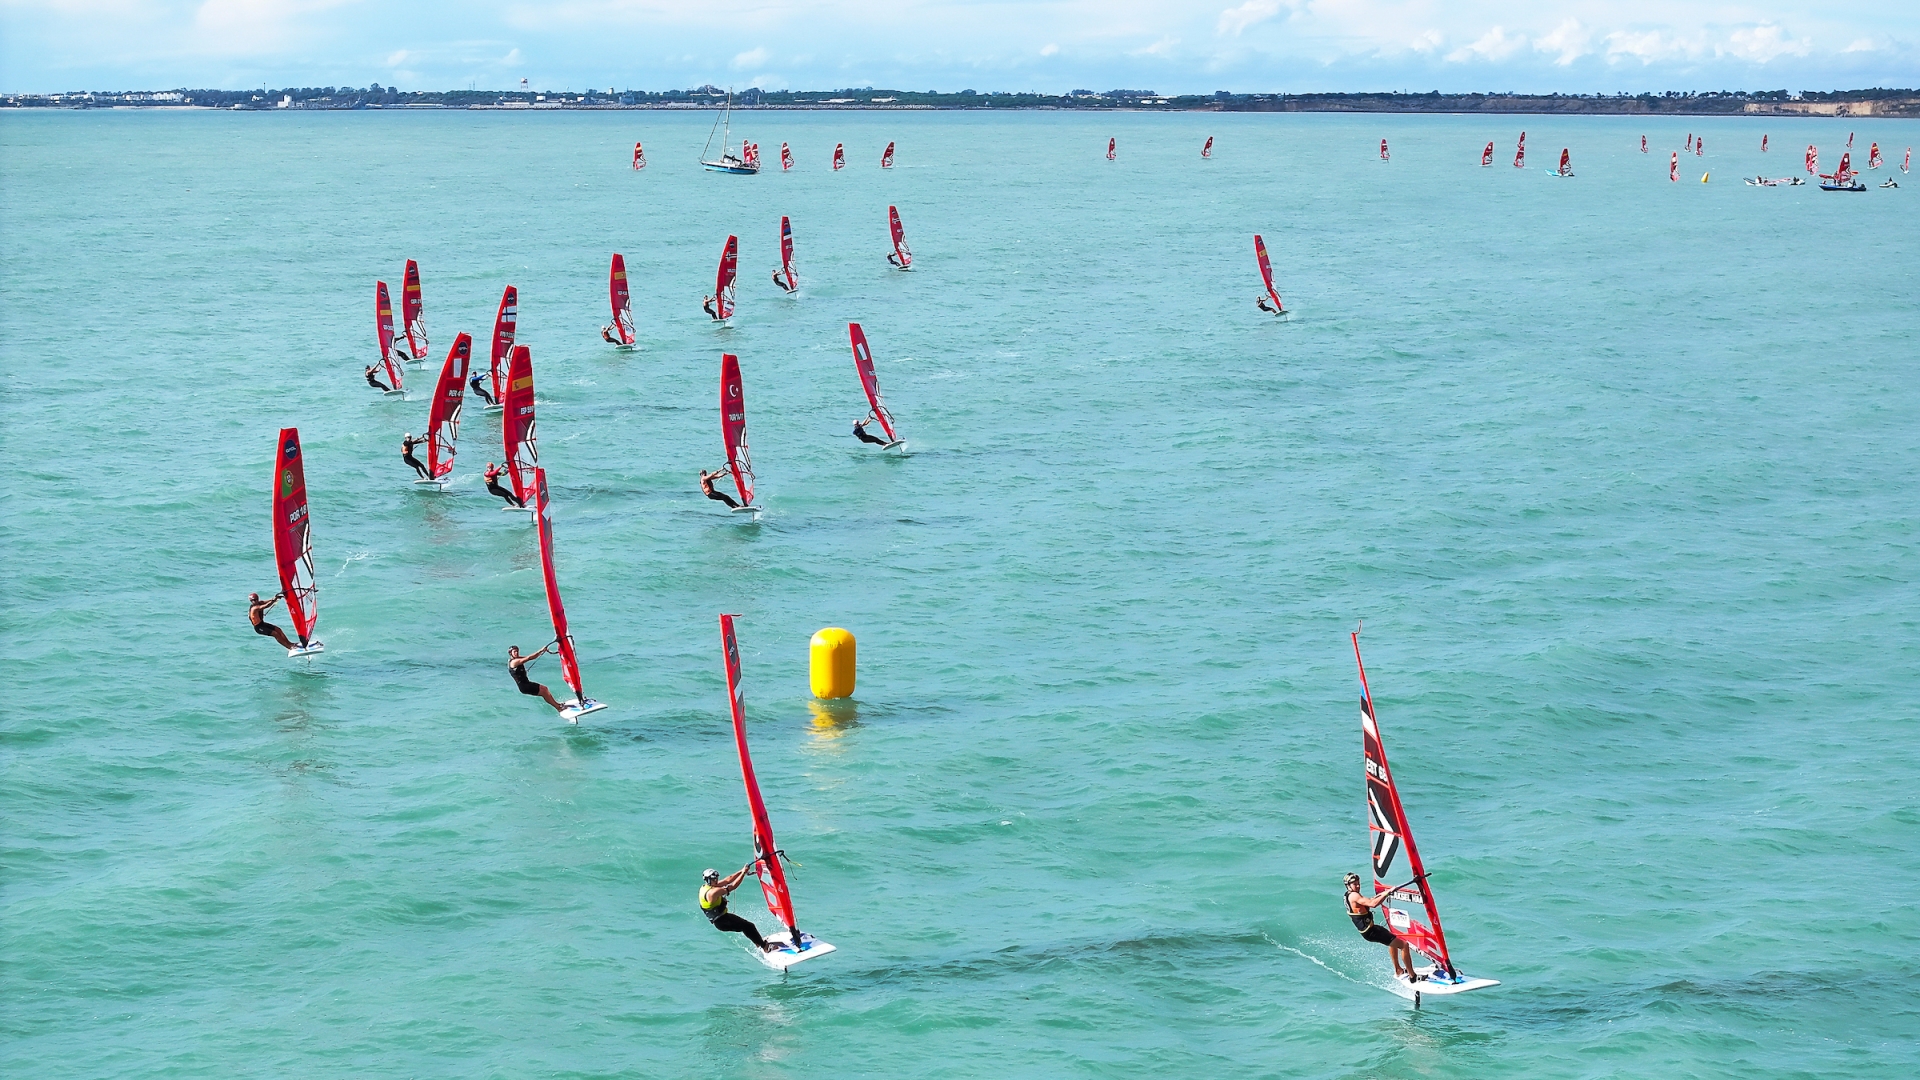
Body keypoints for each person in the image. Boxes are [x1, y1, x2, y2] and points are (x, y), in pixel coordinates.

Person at [1345, 872, 1418, 980]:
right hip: (1371, 932)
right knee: (1404, 945)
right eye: (1355, 884)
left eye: (1358, 883)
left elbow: (1368, 901)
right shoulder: (1354, 895)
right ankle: (1413, 976)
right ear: (1348, 886)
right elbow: (1373, 904)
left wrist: (1384, 893)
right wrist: (1387, 894)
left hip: (1369, 930)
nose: (1358, 886)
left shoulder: (1348, 895)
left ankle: (1398, 970)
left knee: (1392, 939)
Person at [700, 866, 778, 951]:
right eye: (713, 879)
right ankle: (765, 947)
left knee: (747, 926)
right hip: (722, 922)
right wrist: (743, 873)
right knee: (748, 926)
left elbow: (727, 880)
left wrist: (741, 871)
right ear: (708, 880)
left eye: (716, 878)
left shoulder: (706, 887)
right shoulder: (712, 892)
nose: (716, 881)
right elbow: (733, 886)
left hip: (723, 918)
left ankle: (758, 942)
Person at [507, 644, 566, 713]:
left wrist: (542, 652)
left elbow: (531, 657)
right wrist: (541, 650)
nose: (516, 653)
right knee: (544, 691)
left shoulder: (516, 659)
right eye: (514, 651)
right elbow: (529, 658)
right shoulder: (514, 662)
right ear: (510, 653)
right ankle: (558, 708)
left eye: (517, 651)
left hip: (526, 684)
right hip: (524, 686)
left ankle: (558, 705)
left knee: (545, 689)